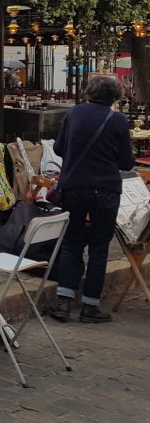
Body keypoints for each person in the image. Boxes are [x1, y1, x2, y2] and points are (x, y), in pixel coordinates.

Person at [50, 74, 135, 324]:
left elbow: (57, 149)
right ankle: (90, 307)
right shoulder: (118, 120)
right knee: (99, 249)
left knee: (71, 244)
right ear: (114, 97)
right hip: (106, 192)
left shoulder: (74, 114)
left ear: (89, 92)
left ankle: (63, 303)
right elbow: (126, 162)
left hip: (75, 188)